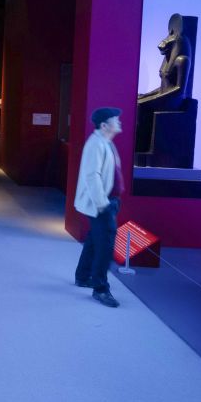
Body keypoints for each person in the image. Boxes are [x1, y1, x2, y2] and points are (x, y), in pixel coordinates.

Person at [74, 106, 124, 308]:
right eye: (115, 120)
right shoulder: (96, 144)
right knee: (105, 247)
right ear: (104, 125)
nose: (119, 122)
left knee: (94, 240)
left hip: (107, 201)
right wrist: (103, 204)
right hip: (101, 204)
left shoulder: (104, 142)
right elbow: (92, 176)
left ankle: (83, 276)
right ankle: (100, 289)